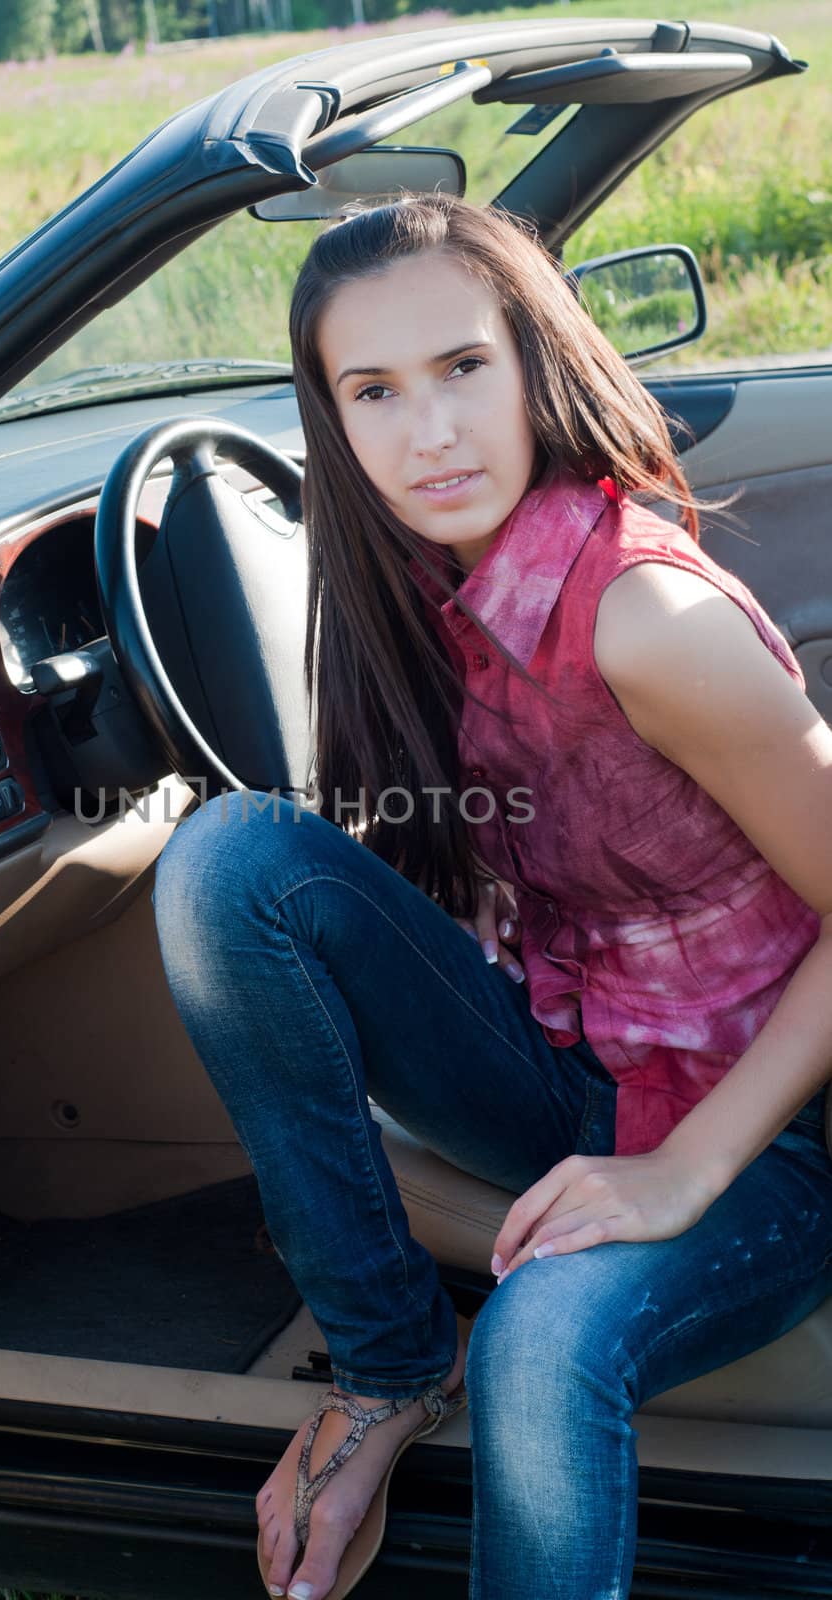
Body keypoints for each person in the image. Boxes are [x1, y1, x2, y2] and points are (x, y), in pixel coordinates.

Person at [150, 194, 832, 1600]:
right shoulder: (425, 584)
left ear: (535, 361)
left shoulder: (649, 617)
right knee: (227, 860)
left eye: (464, 367)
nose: (432, 433)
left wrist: (681, 1172)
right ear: (330, 420)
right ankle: (388, 1366)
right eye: (376, 392)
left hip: (772, 1134)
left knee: (538, 1340)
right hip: (575, 1065)